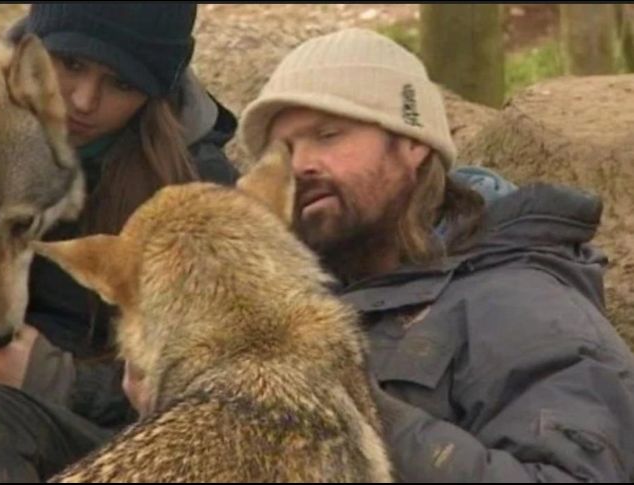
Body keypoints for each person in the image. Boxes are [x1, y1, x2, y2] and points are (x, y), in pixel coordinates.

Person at [238, 28, 634, 482]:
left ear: (411, 143)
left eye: (328, 134)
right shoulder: (296, 308)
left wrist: (355, 408)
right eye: (283, 150)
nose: (302, 164)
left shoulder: (520, 306)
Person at [0, 3, 239, 482]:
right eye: (72, 65)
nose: (84, 101)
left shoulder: (196, 187)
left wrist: (57, 379)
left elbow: (228, 373)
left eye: (122, 84)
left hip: (123, 447)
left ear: (157, 93)